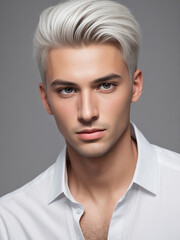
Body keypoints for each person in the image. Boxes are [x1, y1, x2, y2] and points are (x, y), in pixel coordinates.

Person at [0, 0, 180, 239]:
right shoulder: (10, 222)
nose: (87, 113)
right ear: (46, 99)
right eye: (67, 90)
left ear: (135, 87)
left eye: (105, 85)